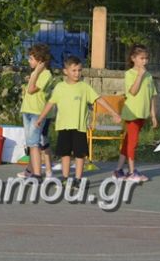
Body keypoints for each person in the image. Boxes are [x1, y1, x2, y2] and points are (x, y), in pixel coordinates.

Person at [36, 55, 121, 187]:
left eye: (79, 70)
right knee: (65, 154)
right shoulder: (59, 87)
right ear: (66, 71)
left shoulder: (84, 87)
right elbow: (50, 103)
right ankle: (65, 178)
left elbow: (99, 99)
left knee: (79, 154)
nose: (77, 73)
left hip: (79, 127)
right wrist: (40, 118)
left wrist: (113, 113)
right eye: (74, 70)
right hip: (63, 126)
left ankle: (78, 179)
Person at [113, 44, 158, 182]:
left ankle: (118, 170)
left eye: (146, 58)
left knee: (128, 141)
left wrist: (153, 115)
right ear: (133, 58)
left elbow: (153, 96)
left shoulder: (149, 76)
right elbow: (133, 91)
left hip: (142, 114)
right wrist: (139, 76)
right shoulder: (129, 74)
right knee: (133, 142)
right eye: (141, 58)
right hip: (132, 113)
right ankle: (132, 172)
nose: (144, 61)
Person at [17, 44, 55, 181]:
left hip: (36, 112)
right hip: (27, 110)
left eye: (31, 59)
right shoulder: (35, 73)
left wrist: (36, 73)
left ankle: (37, 174)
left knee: (34, 143)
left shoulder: (46, 74)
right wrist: (33, 75)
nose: (29, 61)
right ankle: (33, 171)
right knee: (31, 143)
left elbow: (31, 89)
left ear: (40, 61)